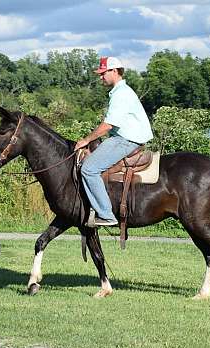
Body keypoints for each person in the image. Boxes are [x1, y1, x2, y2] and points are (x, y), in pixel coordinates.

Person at [74, 56, 153, 226]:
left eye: (103, 73)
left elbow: (108, 125)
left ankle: (106, 214)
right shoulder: (119, 92)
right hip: (123, 138)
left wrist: (85, 140)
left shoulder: (121, 94)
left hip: (125, 140)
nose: (101, 77)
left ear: (114, 71)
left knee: (88, 169)